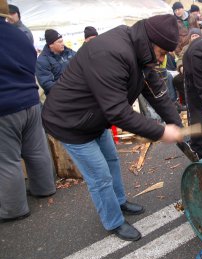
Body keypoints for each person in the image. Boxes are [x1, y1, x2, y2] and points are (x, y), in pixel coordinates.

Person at [41, 14, 184, 241]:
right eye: (163, 52)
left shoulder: (142, 53)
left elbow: (156, 92)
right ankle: (113, 221)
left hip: (94, 119)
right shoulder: (111, 52)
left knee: (112, 161)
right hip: (70, 122)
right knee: (100, 177)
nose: (162, 59)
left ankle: (119, 201)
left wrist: (176, 124)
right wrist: (160, 131)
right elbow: (118, 111)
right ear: (152, 41)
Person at [0, 1, 56, 223]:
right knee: (35, 149)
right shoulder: (19, 34)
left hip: (4, 105)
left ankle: (13, 209)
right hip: (30, 99)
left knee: (6, 160)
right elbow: (32, 61)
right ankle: (45, 187)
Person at [36, 29, 76, 95]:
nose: (62, 44)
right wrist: (67, 87)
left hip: (76, 91)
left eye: (62, 41)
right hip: (59, 97)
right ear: (51, 45)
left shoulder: (70, 52)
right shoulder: (42, 61)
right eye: (59, 42)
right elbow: (47, 84)